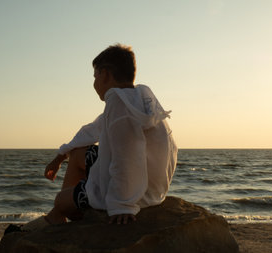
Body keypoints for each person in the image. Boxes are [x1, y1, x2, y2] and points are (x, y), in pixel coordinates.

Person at [22, 44, 178, 230]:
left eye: (95, 76)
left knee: (60, 201)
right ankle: (60, 213)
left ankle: (60, 214)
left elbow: (127, 156)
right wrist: (60, 156)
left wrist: (121, 205)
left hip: (135, 194)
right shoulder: (139, 100)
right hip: (152, 187)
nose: (94, 83)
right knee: (78, 152)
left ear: (105, 74)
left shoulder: (118, 102)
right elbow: (92, 130)